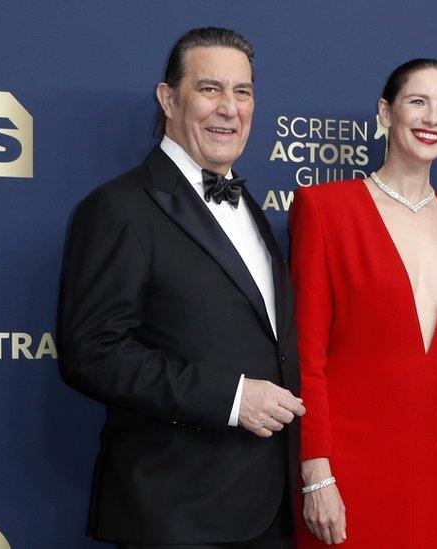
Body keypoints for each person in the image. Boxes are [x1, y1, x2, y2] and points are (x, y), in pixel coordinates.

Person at [58, 27, 303, 548]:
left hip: (267, 509)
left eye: (243, 92)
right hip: (175, 512)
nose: (229, 108)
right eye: (210, 89)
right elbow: (92, 353)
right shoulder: (119, 209)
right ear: (168, 99)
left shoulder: (251, 209)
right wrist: (232, 398)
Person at [289, 59, 437, 548]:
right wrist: (316, 473)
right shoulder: (325, 210)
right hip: (347, 472)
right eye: (418, 102)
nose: (432, 119)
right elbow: (306, 356)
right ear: (385, 112)